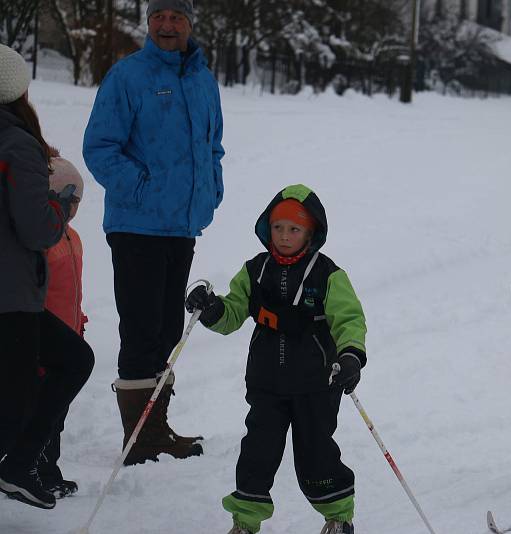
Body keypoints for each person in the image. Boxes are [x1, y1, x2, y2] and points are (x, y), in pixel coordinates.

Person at [82, 0, 224, 465]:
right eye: (159, 16)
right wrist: (142, 189)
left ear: (189, 23)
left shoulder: (203, 81)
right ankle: (139, 436)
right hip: (137, 225)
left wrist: (211, 191)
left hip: (181, 226)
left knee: (166, 330)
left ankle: (155, 427)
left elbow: (213, 145)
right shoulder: (128, 77)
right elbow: (100, 147)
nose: (167, 25)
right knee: (142, 328)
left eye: (177, 16)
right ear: (148, 23)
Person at [185, 185, 367, 534]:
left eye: (294, 229)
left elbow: (349, 320)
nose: (284, 236)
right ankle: (245, 523)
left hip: (316, 382)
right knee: (257, 451)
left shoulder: (327, 274)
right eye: (278, 227)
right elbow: (233, 313)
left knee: (316, 454)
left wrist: (350, 357)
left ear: (310, 233)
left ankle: (338, 517)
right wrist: (211, 308)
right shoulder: (255, 270)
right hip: (267, 381)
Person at [0, 44, 94, 510]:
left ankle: (23, 466)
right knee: (16, 404)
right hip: (11, 296)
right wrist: (56, 205)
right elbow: (37, 229)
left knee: (71, 361)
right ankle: (18, 465)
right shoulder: (16, 143)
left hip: (21, 298)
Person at [36, 157, 89, 499]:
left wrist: (78, 321)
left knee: (58, 414)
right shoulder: (39, 240)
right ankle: (33, 468)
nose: (73, 210)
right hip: (42, 344)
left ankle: (47, 468)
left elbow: (72, 291)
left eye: (77, 204)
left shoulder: (74, 238)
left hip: (69, 336)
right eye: (70, 202)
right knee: (40, 411)